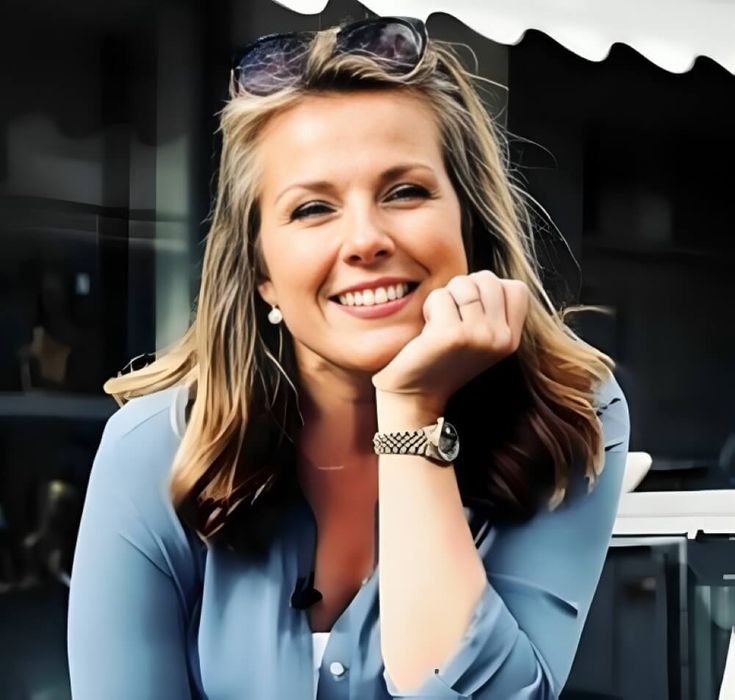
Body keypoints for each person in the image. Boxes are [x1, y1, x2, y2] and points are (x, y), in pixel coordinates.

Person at [67, 15, 630, 700]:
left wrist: (411, 412)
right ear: (261, 273)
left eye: (405, 192)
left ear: (471, 225)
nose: (365, 240)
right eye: (312, 209)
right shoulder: (157, 447)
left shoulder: (569, 415)